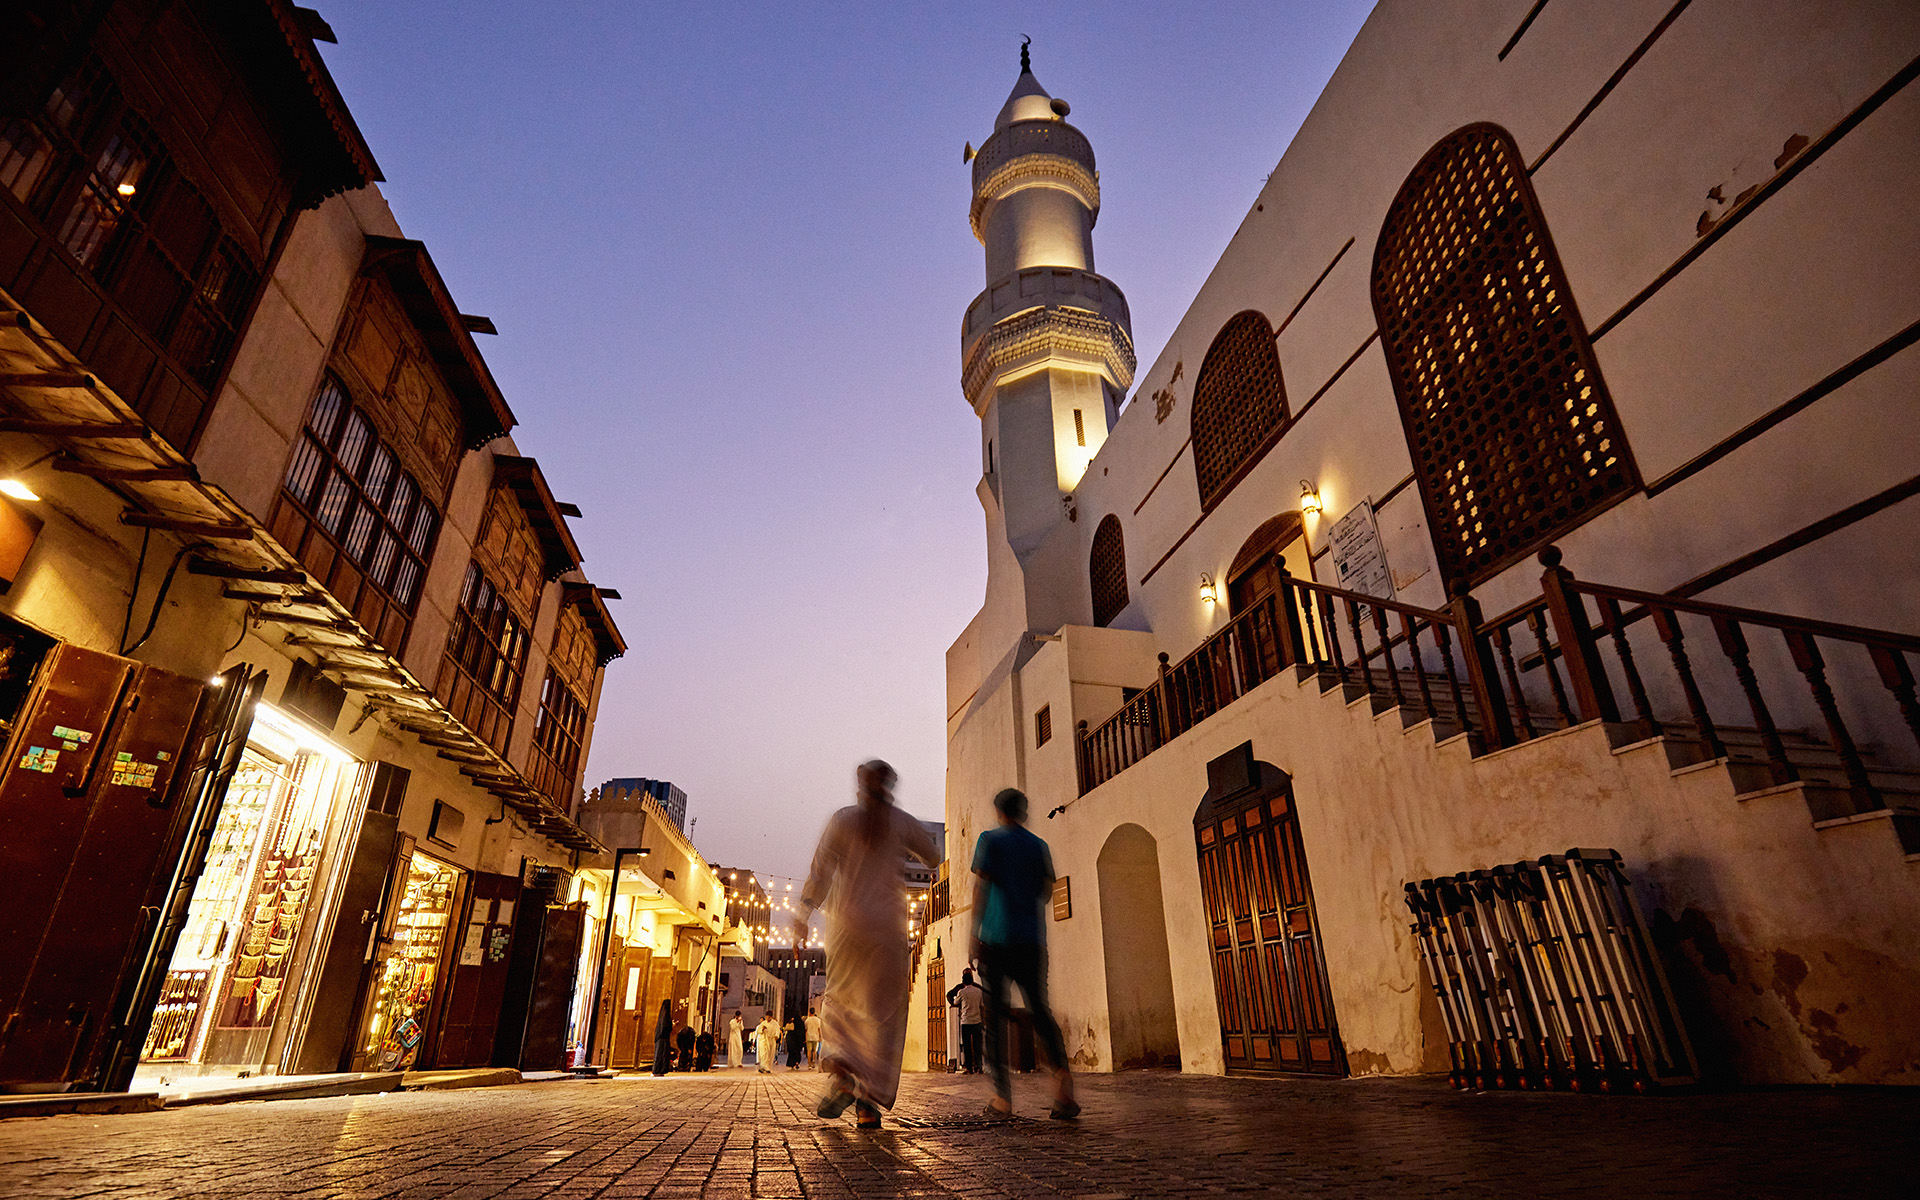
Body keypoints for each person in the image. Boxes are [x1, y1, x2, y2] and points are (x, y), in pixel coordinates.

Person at [793, 759, 941, 1130]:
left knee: (842, 1002)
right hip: (887, 930)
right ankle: (867, 1104)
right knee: (881, 1015)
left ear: (860, 786)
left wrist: (802, 915)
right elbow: (934, 855)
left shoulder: (844, 819)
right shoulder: (899, 821)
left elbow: (820, 871)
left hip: (846, 926)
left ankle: (843, 1071)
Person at [972, 786, 1077, 1120]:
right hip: (1031, 941)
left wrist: (973, 935)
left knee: (994, 1021)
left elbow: (981, 887)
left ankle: (1002, 1099)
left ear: (1000, 812)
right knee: (1040, 1011)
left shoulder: (990, 840)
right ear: (1024, 811)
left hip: (996, 940)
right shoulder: (1039, 846)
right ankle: (1063, 1084)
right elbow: (1047, 891)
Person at [946, 967, 987, 1074]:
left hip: (965, 1021)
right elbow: (982, 1006)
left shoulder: (961, 991)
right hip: (977, 1021)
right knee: (978, 1045)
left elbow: (954, 1002)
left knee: (967, 1046)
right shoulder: (978, 990)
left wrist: (955, 1005)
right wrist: (983, 1020)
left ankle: (969, 1068)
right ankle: (979, 1066)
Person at [650, 1000, 673, 1076]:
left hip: (661, 1037)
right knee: (661, 1054)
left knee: (660, 1053)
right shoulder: (665, 1015)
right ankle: (658, 1069)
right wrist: (671, 1025)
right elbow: (665, 1026)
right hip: (663, 1038)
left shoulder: (662, 1014)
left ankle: (658, 1070)